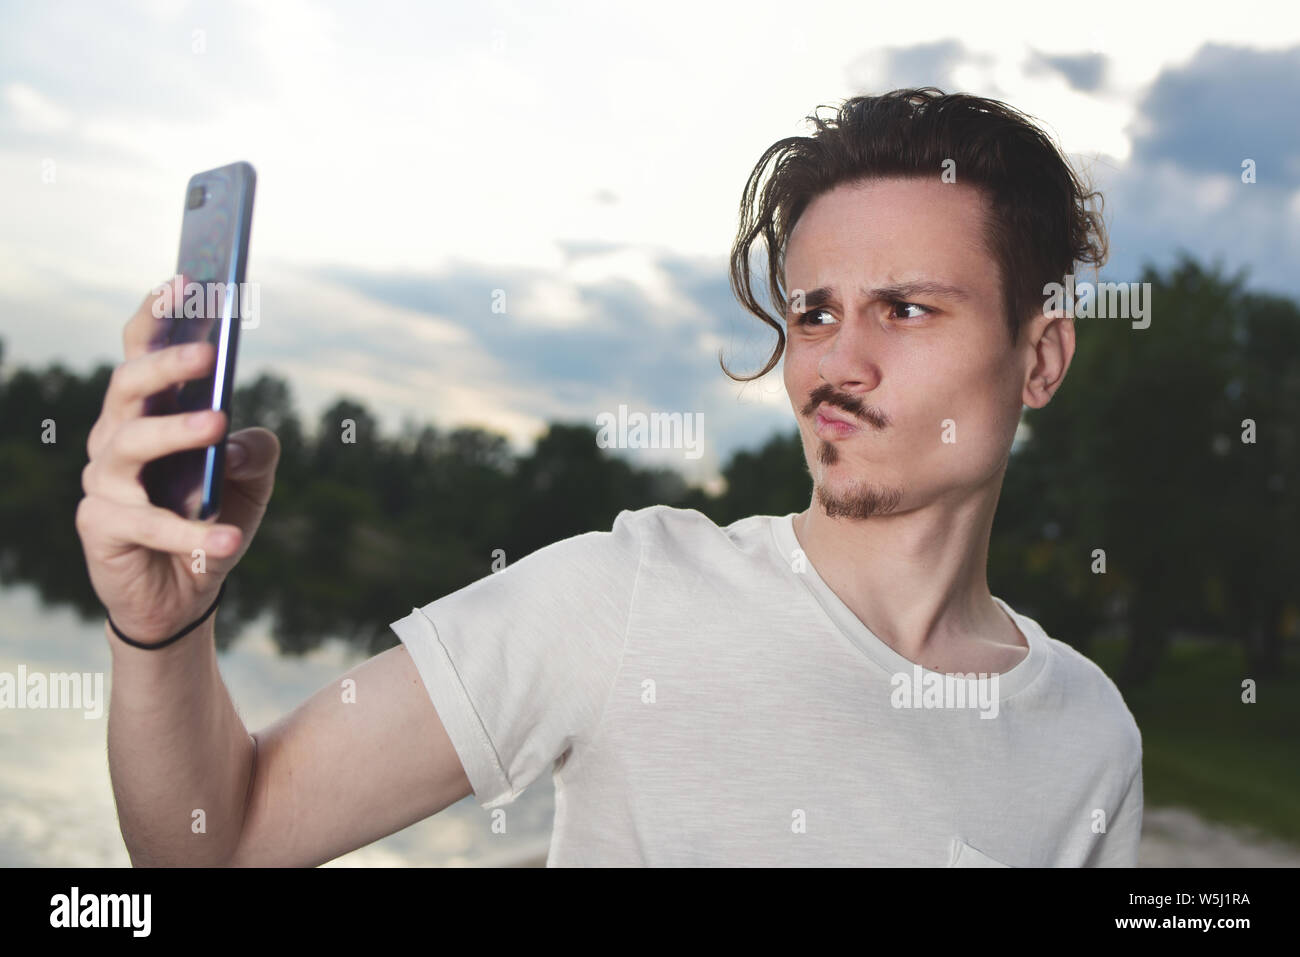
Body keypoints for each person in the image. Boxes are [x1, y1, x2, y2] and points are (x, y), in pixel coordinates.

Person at [77, 87, 1141, 867]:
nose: (834, 360)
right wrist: (158, 628)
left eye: (904, 309)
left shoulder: (1088, 739)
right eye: (814, 310)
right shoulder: (627, 592)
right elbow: (217, 843)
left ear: (1038, 358)